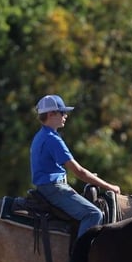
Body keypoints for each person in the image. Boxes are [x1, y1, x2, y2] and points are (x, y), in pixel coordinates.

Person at [30, 94, 120, 237]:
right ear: (51, 114)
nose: (65, 116)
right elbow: (79, 172)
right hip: (54, 189)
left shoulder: (40, 135)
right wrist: (109, 186)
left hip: (47, 187)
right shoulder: (53, 139)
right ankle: (80, 251)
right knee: (93, 214)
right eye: (62, 112)